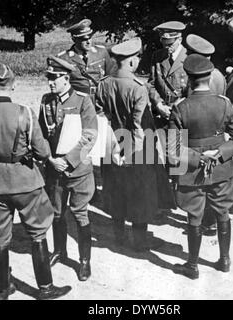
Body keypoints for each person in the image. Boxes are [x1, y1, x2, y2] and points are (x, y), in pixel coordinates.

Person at [0, 63, 71, 300]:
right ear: (13, 85)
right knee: (38, 233)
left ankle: (2, 290)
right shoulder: (25, 113)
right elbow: (42, 152)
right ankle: (45, 289)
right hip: (26, 183)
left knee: (0, 237)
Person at [169, 54, 233, 278]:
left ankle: (192, 267)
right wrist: (219, 154)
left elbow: (173, 150)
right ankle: (224, 260)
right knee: (223, 211)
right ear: (209, 76)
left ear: (189, 79)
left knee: (194, 216)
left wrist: (199, 158)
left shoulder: (180, 108)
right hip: (220, 169)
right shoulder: (224, 104)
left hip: (191, 170)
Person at [95, 37, 164, 252]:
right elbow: (138, 126)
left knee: (115, 192)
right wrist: (131, 154)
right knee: (139, 195)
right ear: (132, 61)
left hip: (111, 145)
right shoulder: (137, 88)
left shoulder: (103, 83)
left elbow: (100, 117)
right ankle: (140, 243)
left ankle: (119, 237)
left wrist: (113, 147)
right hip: (136, 148)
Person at [39, 56, 97, 281]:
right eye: (49, 78)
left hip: (78, 170)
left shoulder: (83, 101)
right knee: (56, 212)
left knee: (80, 213)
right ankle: (60, 252)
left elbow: (90, 136)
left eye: (54, 78)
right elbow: (42, 134)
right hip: (54, 168)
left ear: (66, 79)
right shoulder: (46, 101)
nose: (50, 82)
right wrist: (50, 158)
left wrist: (69, 160)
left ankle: (84, 261)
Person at [57, 18, 114, 206]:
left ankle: (103, 188)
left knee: (104, 150)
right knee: (84, 149)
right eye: (83, 39)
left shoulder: (103, 53)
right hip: (79, 111)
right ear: (74, 38)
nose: (88, 41)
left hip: (100, 108)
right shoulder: (65, 58)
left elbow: (110, 80)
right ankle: (87, 188)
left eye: (90, 37)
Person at [185, 33, 228, 237]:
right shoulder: (218, 75)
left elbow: (191, 107)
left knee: (200, 181)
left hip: (198, 137)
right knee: (215, 180)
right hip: (216, 135)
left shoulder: (198, 78)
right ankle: (210, 221)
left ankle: (205, 222)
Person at [148, 21, 187, 128]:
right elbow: (151, 84)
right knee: (160, 143)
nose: (166, 47)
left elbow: (193, 87)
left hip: (182, 113)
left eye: (170, 44)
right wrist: (158, 104)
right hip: (161, 113)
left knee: (178, 144)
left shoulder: (189, 57)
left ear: (179, 39)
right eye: (164, 44)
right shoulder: (157, 56)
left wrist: (179, 105)